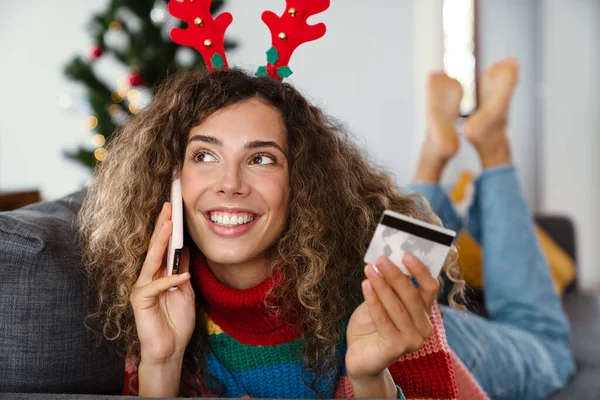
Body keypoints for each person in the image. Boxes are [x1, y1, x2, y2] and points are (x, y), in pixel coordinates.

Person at [78, 68, 476, 399]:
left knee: (538, 333)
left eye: (262, 158)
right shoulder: (157, 295)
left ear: (300, 183)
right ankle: (433, 165)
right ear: (172, 178)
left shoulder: (380, 280)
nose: (229, 184)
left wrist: (372, 379)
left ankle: (457, 158)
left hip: (477, 350)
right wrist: (162, 362)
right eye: (204, 155)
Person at [410, 58, 575, 399]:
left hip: (368, 329)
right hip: (393, 331)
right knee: (546, 344)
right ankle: (442, 158)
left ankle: (444, 152)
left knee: (392, 293)